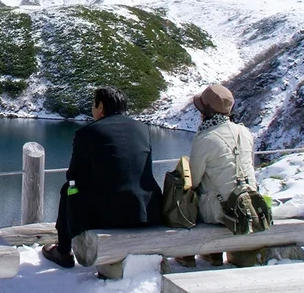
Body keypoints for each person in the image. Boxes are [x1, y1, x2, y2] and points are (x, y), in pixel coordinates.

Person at [43, 87, 163, 269]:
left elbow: (73, 174)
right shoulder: (143, 129)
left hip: (109, 213)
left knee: (67, 189)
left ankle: (63, 250)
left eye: (93, 104)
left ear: (100, 106)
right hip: (147, 208)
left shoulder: (88, 132)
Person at [175, 84, 256, 268]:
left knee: (184, 193)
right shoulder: (245, 132)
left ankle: (188, 253)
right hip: (248, 204)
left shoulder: (205, 138)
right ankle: (213, 254)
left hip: (221, 211)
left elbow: (193, 181)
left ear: (205, 112)